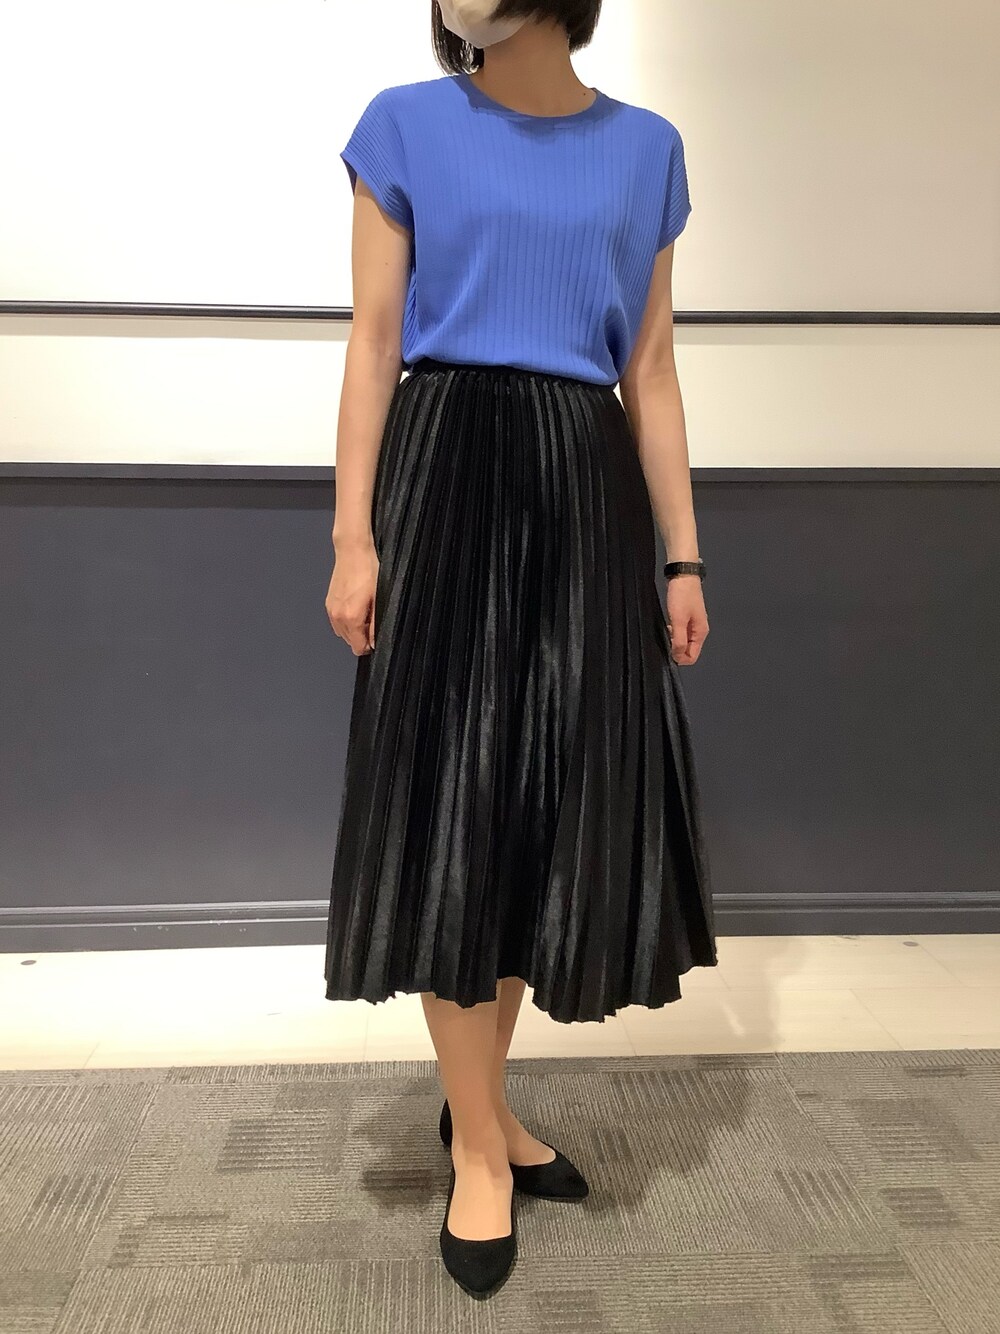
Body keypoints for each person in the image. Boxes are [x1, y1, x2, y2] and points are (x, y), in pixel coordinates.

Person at [323, 0, 718, 1299]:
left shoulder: (647, 150)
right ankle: (481, 1148)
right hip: (445, 476)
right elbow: (374, 342)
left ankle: (480, 1103)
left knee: (541, 808)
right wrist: (353, 538)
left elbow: (652, 370)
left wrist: (683, 555)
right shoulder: (404, 128)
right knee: (454, 800)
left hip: (582, 486)